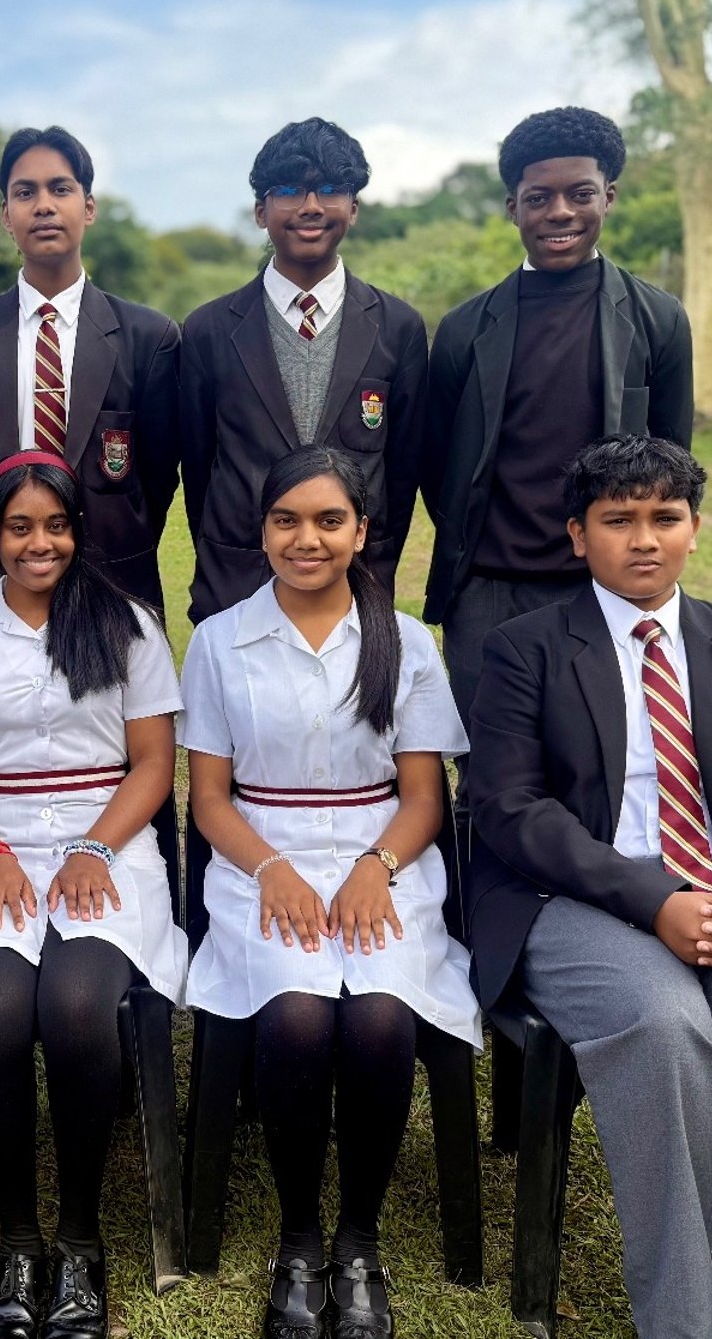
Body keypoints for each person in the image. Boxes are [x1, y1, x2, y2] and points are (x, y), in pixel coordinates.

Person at [466, 436, 712, 1339]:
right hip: (574, 899)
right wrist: (654, 901)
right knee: (664, 1028)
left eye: (665, 518)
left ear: (695, 528)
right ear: (578, 535)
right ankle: (681, 1319)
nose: (644, 539)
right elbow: (510, 810)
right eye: (618, 520)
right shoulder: (523, 649)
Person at [180, 445, 481, 1339]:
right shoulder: (220, 640)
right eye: (286, 520)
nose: (305, 539)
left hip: (380, 859)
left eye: (328, 521)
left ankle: (358, 1241)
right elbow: (208, 799)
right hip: (260, 861)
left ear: (360, 532)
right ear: (261, 529)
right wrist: (271, 869)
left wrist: (376, 867)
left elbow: (423, 798)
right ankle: (300, 1237)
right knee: (298, 1016)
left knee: (382, 1018)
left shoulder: (406, 641)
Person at [0, 451, 187, 1339]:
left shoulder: (128, 625)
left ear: (76, 530)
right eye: (20, 527)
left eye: (56, 526)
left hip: (109, 840)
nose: (40, 543)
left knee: (76, 1005)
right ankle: (20, 1243)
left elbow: (153, 764)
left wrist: (96, 847)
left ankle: (82, 1241)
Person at [419, 105, 694, 727]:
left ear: (609, 197)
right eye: (539, 198)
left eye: (581, 194)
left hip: (605, 584)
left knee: (602, 754)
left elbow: (672, 461)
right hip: (486, 590)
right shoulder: (465, 329)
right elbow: (438, 464)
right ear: (513, 207)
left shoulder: (658, 320)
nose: (560, 212)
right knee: (488, 759)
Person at [0, 126, 181, 613]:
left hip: (114, 588)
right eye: (25, 192)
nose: (44, 206)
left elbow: (157, 479)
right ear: (5, 216)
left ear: (88, 207)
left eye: (60, 189)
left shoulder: (149, 338)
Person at [180, 118, 430, 625]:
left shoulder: (397, 327)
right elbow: (199, 468)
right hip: (237, 582)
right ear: (261, 211)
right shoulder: (208, 329)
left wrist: (375, 561)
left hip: (356, 585)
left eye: (332, 189)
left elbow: (402, 473)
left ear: (353, 209)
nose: (311, 206)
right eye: (290, 190)